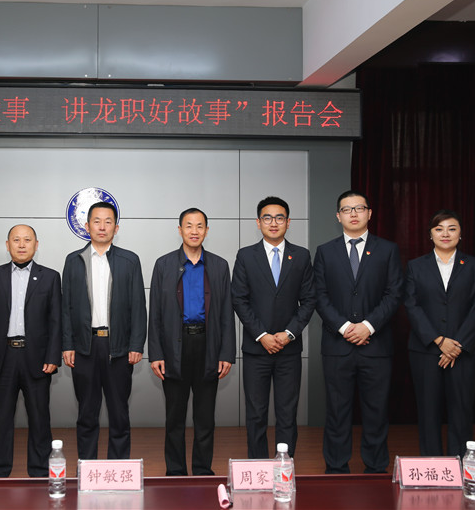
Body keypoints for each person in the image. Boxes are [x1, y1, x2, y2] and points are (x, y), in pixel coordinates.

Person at [313, 191, 403, 474]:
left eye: (359, 208)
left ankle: (375, 467)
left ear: (369, 213)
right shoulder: (325, 251)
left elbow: (394, 293)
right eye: (346, 209)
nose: (353, 214)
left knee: (376, 411)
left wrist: (368, 326)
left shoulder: (388, 250)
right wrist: (344, 327)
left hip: (376, 345)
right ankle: (336, 467)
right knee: (337, 411)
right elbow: (319, 295)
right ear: (338, 216)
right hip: (337, 346)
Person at [148, 208, 235, 475]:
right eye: (188, 226)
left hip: (208, 347)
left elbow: (226, 313)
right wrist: (155, 353)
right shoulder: (164, 265)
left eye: (199, 226)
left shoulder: (219, 266)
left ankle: (202, 471)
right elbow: (155, 313)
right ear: (180, 230)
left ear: (207, 230)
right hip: (175, 347)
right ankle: (175, 472)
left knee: (205, 417)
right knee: (174, 417)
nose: (194, 231)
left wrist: (227, 353)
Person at [62, 201, 147, 460]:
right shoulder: (73, 260)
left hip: (118, 347)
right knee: (86, 414)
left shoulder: (129, 260)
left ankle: (118, 469)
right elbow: (66, 307)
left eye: (108, 222)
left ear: (116, 228)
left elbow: (138, 306)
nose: (102, 226)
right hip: (85, 347)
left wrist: (136, 345)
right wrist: (68, 344)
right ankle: (87, 468)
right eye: (97, 221)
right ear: (87, 226)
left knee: (119, 414)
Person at [231, 197, 315, 459]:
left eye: (280, 217)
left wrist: (289, 333)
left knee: (287, 413)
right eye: (267, 218)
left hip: (289, 349)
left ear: (288, 222)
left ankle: (283, 467)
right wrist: (262, 335)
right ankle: (257, 466)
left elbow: (309, 300)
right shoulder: (246, 255)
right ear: (258, 223)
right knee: (256, 414)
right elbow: (239, 300)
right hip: (256, 349)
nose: (274, 223)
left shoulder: (301, 256)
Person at [404, 210, 475, 458]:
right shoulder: (416, 266)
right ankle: (434, 465)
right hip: (426, 350)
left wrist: (456, 345)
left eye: (452, 229)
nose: (445, 234)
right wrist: (439, 340)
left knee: (461, 411)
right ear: (430, 234)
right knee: (428, 412)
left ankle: (459, 465)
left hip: (465, 352)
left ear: (460, 234)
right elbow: (411, 305)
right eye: (439, 229)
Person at [0, 225, 62, 477]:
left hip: (37, 358)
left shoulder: (50, 277)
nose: (22, 244)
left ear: (36, 244)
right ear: (7, 245)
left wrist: (53, 356)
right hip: (2, 356)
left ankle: (39, 471)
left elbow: (56, 321)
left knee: (40, 418)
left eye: (27, 240)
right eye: (16, 240)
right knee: (0, 418)